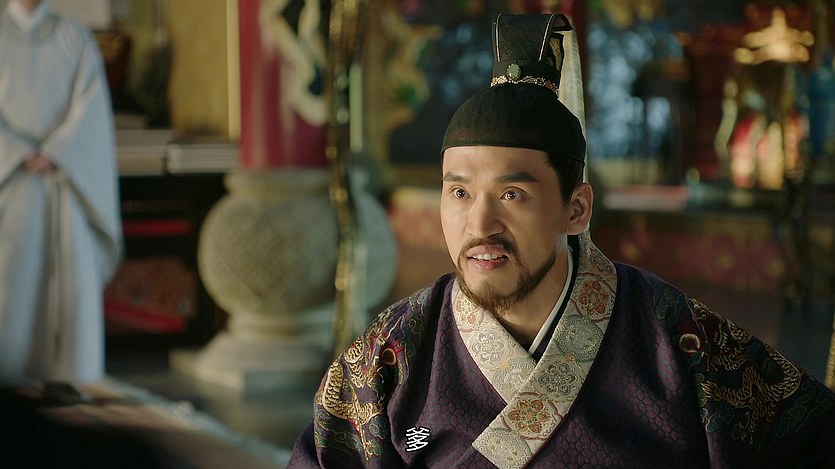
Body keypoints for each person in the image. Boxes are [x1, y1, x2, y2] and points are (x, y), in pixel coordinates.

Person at [288, 13, 835, 468]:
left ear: (576, 210)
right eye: (459, 193)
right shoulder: (395, 354)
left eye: (512, 195)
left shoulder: (678, 340)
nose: (479, 225)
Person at [0, 0, 122, 385]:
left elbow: (91, 106)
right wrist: (17, 151)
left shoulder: (75, 36)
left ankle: (68, 380)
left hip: (65, 181)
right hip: (10, 183)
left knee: (70, 286)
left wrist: (58, 151)